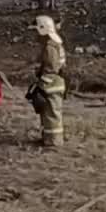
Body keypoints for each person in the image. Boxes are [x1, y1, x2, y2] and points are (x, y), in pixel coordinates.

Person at [25, 15, 67, 147]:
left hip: (51, 84)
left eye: (36, 31)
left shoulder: (50, 46)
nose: (35, 36)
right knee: (48, 113)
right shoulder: (54, 44)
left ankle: (53, 141)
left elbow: (51, 67)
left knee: (51, 114)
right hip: (53, 83)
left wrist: (41, 81)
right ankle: (48, 138)